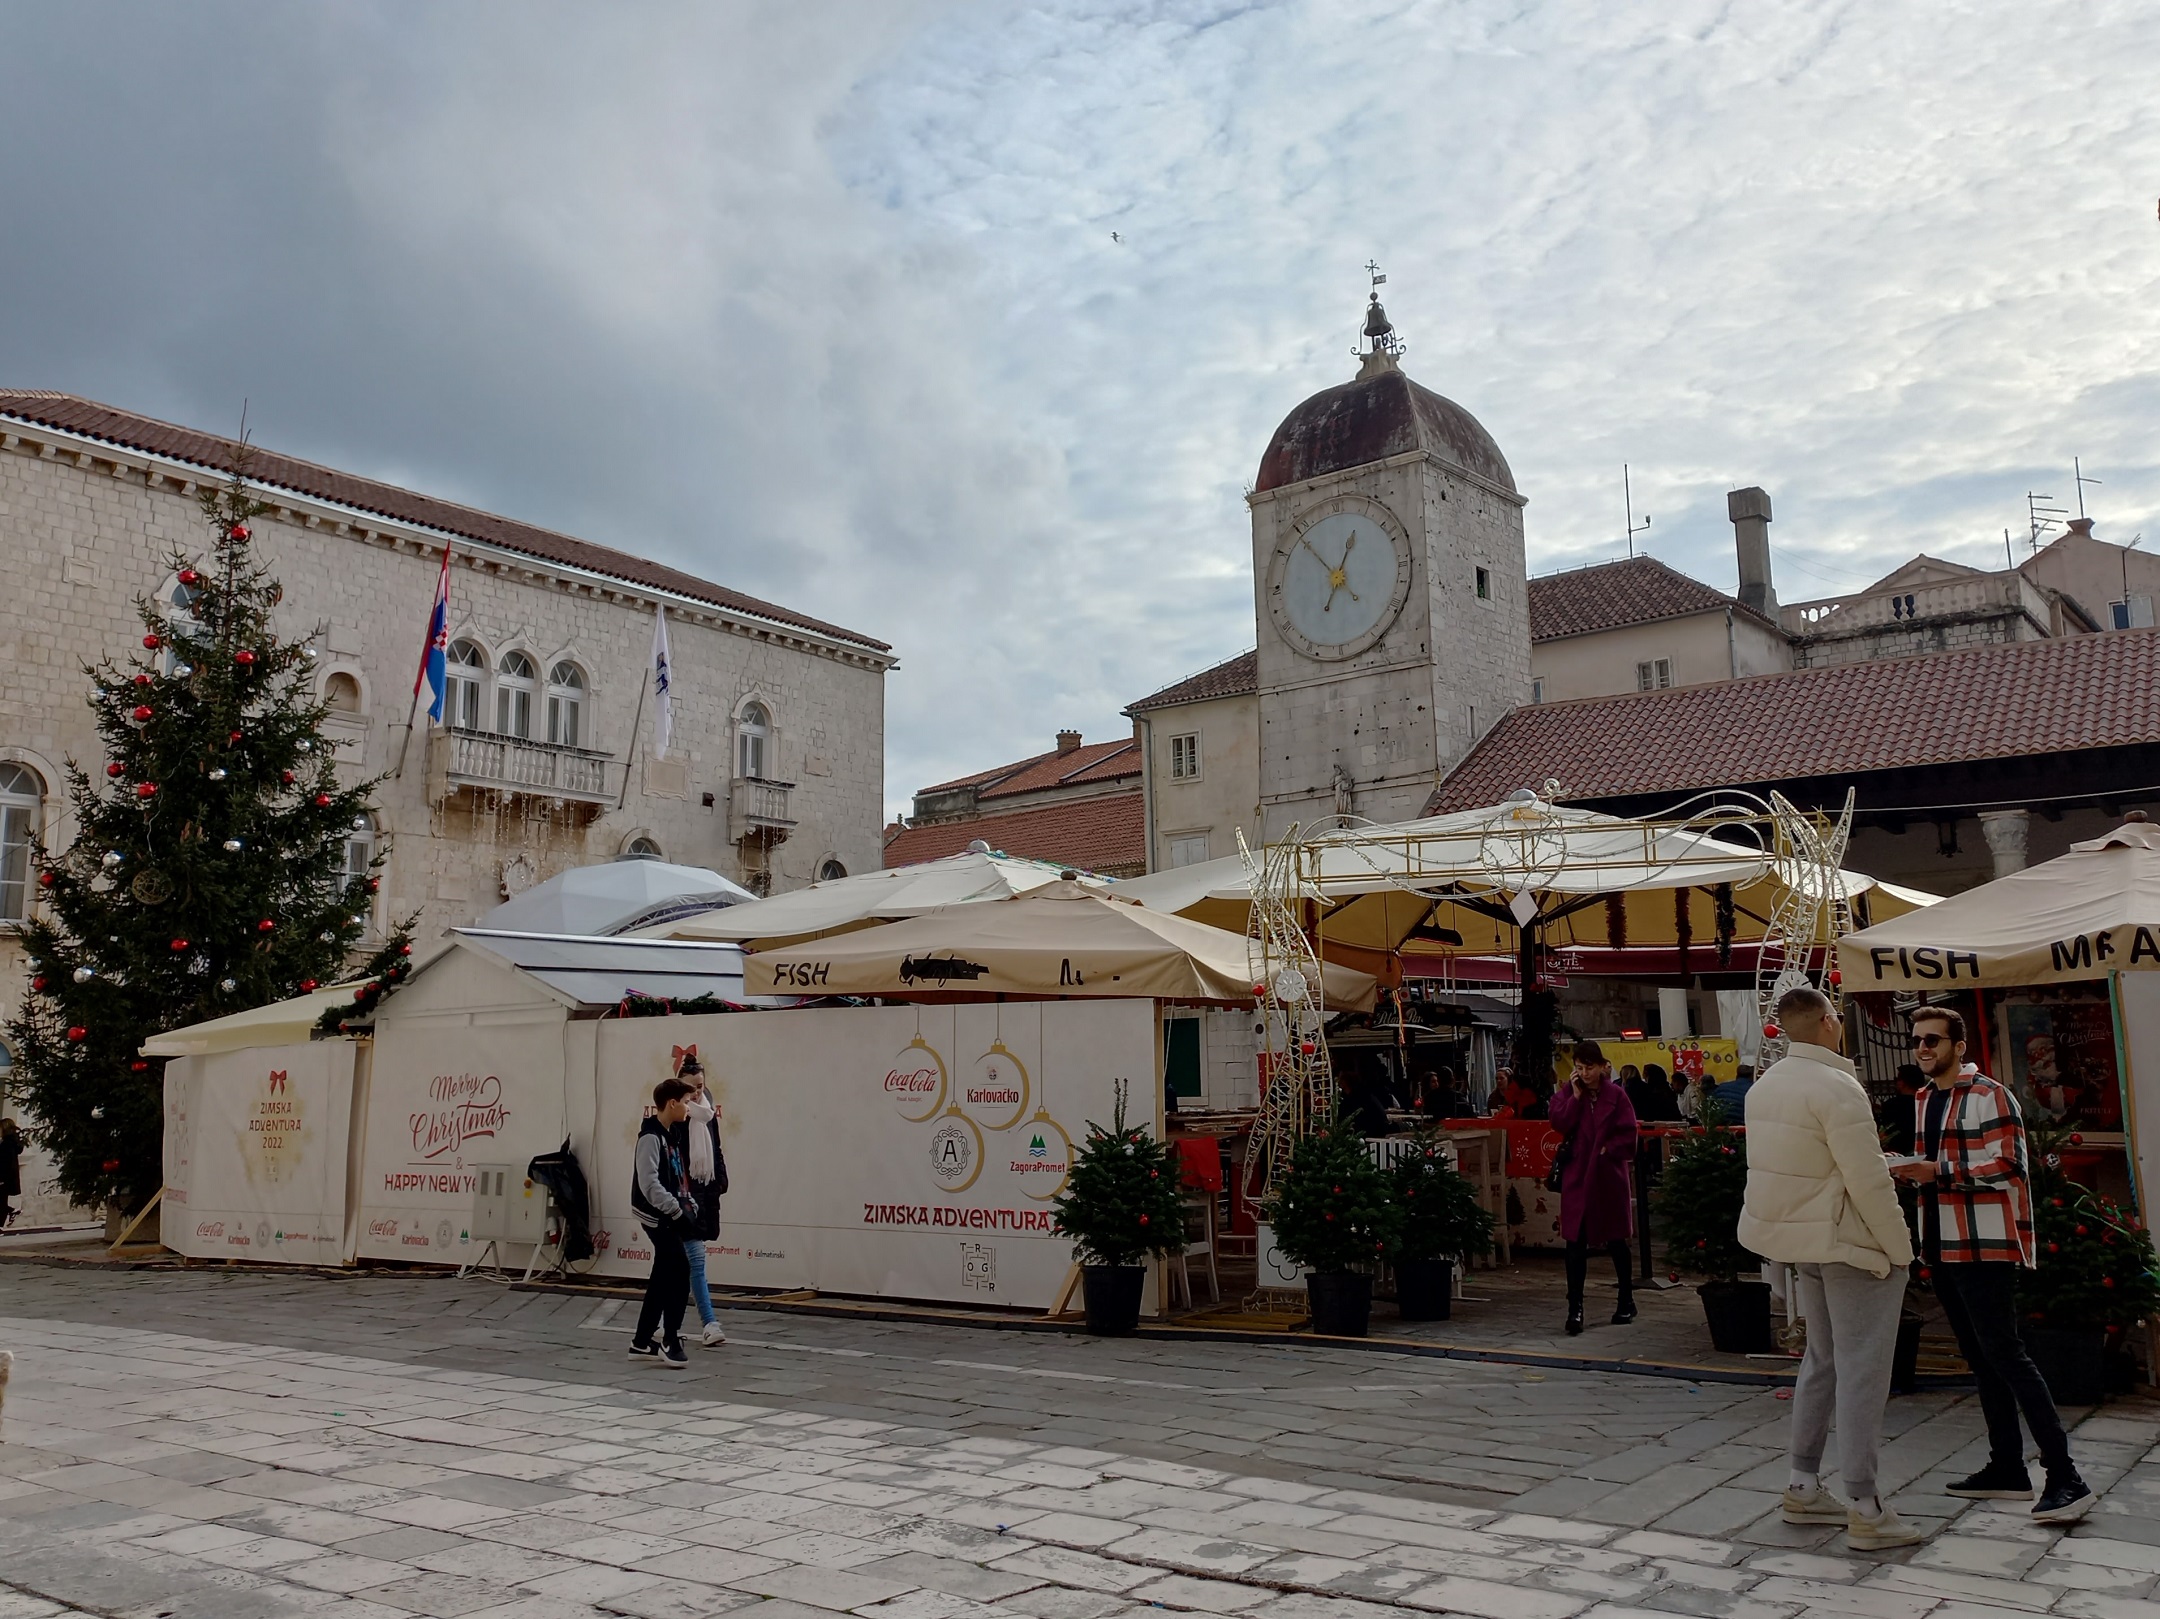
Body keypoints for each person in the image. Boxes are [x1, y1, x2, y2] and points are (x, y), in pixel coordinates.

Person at [1891, 1006, 2094, 1524]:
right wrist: (1908, 1173)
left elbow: (2008, 1163)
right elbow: (1938, 1171)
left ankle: (2066, 1476)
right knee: (1981, 1360)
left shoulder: (1989, 1094)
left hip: (1986, 1244)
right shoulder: (1922, 1098)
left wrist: (1934, 1171)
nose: (1923, 1049)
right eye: (1917, 1040)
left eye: (1934, 1040)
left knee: (2007, 1355)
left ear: (1959, 1046)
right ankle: (2007, 1466)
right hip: (1943, 1245)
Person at [1740, 986, 1921, 1550]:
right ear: (1825, 1021)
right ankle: (1865, 1505)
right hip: (1848, 1241)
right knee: (1863, 1366)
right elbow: (1867, 1180)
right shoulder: (1837, 1086)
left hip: (1800, 1241)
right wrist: (1900, 1249)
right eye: (1837, 1015)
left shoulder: (1766, 1085)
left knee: (1822, 1359)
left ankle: (1802, 1483)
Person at [1547, 1040, 1638, 1336]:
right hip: (1578, 1177)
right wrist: (1574, 1096)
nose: (1584, 1073)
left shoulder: (1617, 1096)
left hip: (1608, 1177)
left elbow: (1629, 1135)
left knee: (1616, 1240)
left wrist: (1608, 1150)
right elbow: (1559, 1121)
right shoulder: (1569, 1092)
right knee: (1575, 1243)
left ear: (1602, 1066)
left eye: (1589, 1067)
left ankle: (1626, 1298)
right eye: (1579, 1068)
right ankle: (1575, 1307)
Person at [629, 1076, 699, 1368]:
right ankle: (670, 1337)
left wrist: (689, 1204)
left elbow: (679, 1178)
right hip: (656, 1215)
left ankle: (642, 1341)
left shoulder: (672, 1135)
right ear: (672, 1103)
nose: (689, 1107)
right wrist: (675, 1210)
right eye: (686, 1102)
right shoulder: (651, 1137)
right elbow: (649, 1184)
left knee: (662, 1273)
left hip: (668, 1213)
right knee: (680, 1267)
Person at [672, 1054, 729, 1348]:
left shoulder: (707, 1112)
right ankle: (709, 1322)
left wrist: (720, 1179)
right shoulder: (675, 1114)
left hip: (704, 1190)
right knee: (694, 1259)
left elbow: (716, 1147)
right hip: (681, 1196)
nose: (696, 1092)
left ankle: (665, 1321)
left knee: (678, 1263)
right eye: (691, 1086)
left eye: (700, 1085)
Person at [1879, 1065, 1925, 1155]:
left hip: (1895, 1152)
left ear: (1902, 1083)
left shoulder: (1891, 1105)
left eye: (1897, 1079)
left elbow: (1884, 1131)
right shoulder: (1926, 1103)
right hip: (1921, 1150)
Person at [0, 1117, 22, 1228]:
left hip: (4, 1178)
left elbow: (5, 1163)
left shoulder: (6, 1144)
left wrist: (2, 1179)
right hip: (8, 1178)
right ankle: (11, 1210)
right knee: (2, 1202)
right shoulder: (11, 1143)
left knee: (1, 1203)